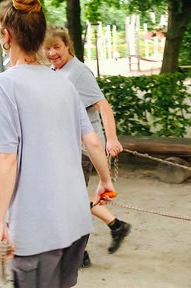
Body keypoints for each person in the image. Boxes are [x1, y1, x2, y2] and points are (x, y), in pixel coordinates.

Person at [0, 0, 115, 287]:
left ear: (7, 35)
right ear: (40, 36)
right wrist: (105, 180)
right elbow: (91, 139)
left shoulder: (2, 87)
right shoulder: (62, 83)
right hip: (75, 223)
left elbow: (6, 159)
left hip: (37, 228)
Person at [43, 25, 131, 267]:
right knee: (72, 199)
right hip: (67, 148)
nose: (52, 52)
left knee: (69, 202)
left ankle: (80, 252)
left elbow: (103, 105)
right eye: (47, 48)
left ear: (67, 45)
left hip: (83, 149)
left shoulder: (78, 72)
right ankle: (115, 226)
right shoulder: (55, 71)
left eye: (57, 47)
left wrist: (111, 138)